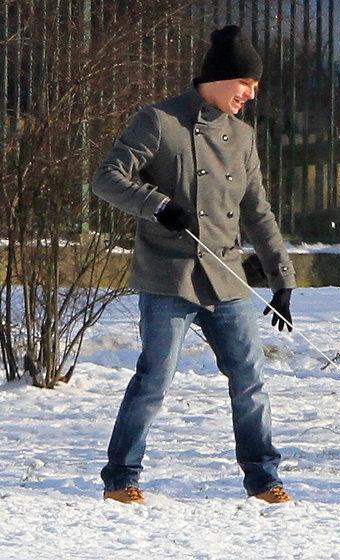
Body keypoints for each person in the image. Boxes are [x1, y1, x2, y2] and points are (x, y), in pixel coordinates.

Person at [92, 25, 296, 505]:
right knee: (154, 379)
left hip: (227, 277)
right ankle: (121, 478)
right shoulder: (159, 121)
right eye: (246, 83)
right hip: (170, 276)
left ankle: (264, 479)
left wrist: (282, 278)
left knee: (250, 380)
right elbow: (107, 178)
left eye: (256, 87)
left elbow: (257, 211)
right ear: (221, 78)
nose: (251, 94)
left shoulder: (243, 137)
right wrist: (157, 204)